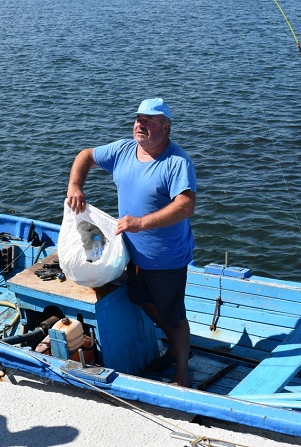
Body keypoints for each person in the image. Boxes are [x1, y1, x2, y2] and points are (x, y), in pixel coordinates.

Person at [66, 98, 196, 387]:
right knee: (145, 302)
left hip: (166, 258)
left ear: (166, 126)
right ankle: (177, 349)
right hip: (130, 253)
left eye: (149, 121)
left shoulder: (177, 162)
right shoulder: (124, 150)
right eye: (138, 119)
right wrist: (75, 185)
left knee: (173, 315)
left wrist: (141, 223)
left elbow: (186, 206)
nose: (141, 125)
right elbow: (85, 155)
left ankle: (183, 375)